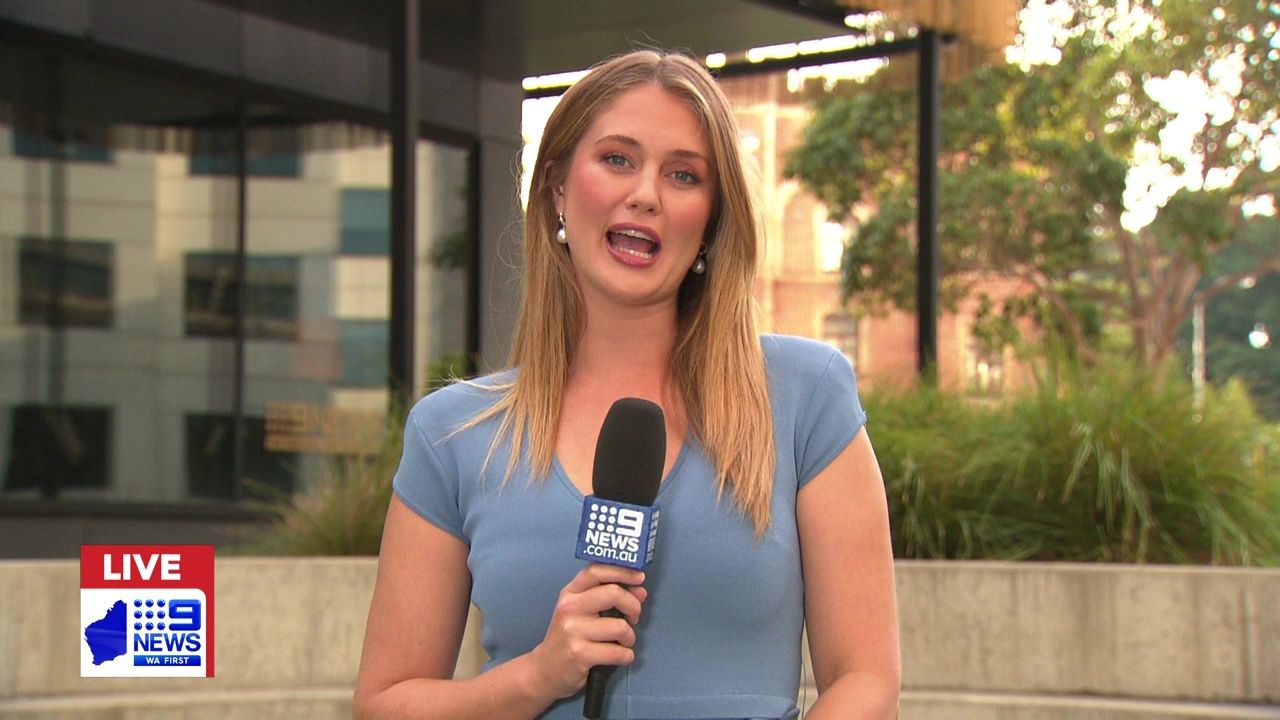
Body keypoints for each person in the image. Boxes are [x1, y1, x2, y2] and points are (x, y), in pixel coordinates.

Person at [353, 49, 900, 720]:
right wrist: (537, 677)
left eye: (683, 174)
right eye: (617, 159)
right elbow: (384, 703)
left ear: (712, 219)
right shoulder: (452, 434)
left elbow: (866, 680)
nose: (646, 194)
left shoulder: (805, 396)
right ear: (557, 188)